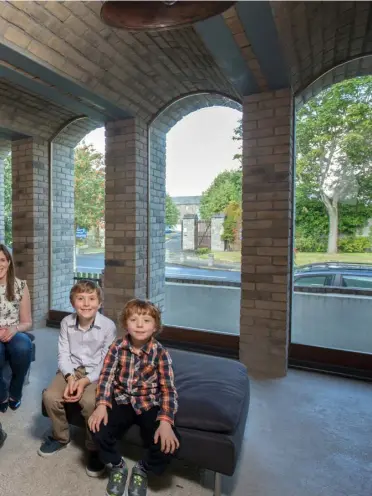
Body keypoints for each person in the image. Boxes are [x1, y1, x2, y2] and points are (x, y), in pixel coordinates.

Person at [89, 298, 180, 496]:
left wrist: (165, 421)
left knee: (170, 443)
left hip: (149, 403)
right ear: (125, 324)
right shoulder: (117, 347)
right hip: (122, 399)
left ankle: (143, 468)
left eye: (146, 320)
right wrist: (102, 404)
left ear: (155, 326)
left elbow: (168, 389)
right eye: (134, 320)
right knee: (97, 427)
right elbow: (106, 377)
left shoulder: (161, 353)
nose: (140, 325)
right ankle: (117, 464)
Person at [38, 280, 116, 478]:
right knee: (50, 397)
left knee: (90, 401)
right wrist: (70, 377)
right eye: (80, 299)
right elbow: (63, 355)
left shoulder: (108, 326)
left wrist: (84, 381)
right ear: (73, 302)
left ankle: (94, 447)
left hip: (96, 372)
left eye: (92, 299)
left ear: (99, 303)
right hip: (71, 370)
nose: (86, 304)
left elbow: (106, 363)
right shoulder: (66, 322)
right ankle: (60, 437)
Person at [0, 244, 32, 416]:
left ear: (9, 262)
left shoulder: (20, 286)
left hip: (15, 331)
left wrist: (14, 328)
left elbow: (27, 322)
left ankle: (16, 390)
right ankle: (2, 394)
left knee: (23, 347)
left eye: (2, 260)